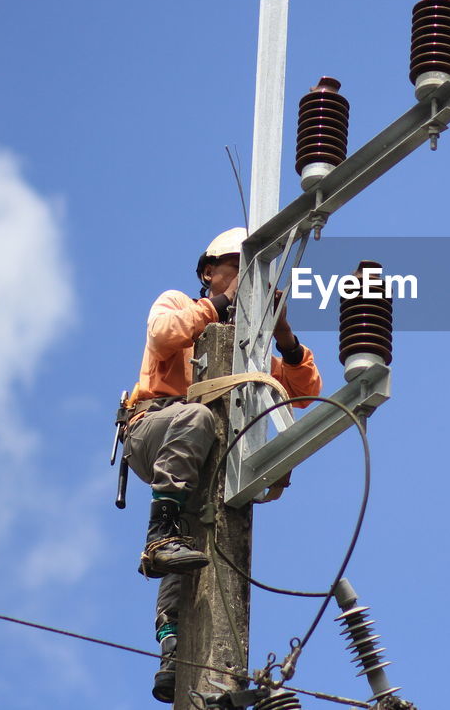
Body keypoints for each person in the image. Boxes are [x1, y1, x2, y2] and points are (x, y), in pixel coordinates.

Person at [121, 227, 323, 702]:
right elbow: (163, 335)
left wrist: (285, 337)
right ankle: (157, 536)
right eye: (237, 265)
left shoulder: (247, 350)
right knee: (194, 418)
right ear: (209, 272)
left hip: (202, 460)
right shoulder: (178, 305)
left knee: (196, 541)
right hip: (154, 430)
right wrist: (219, 305)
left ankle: (174, 649)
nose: (245, 277)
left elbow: (305, 393)